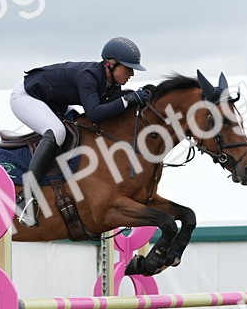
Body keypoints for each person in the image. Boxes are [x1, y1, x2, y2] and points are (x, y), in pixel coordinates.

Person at [10, 37, 150, 227]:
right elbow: (94, 113)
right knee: (57, 132)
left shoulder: (110, 81)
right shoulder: (89, 76)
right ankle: (25, 197)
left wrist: (137, 96)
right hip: (26, 97)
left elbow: (115, 102)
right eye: (128, 68)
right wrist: (128, 99)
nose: (132, 74)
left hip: (52, 102)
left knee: (75, 129)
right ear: (111, 64)